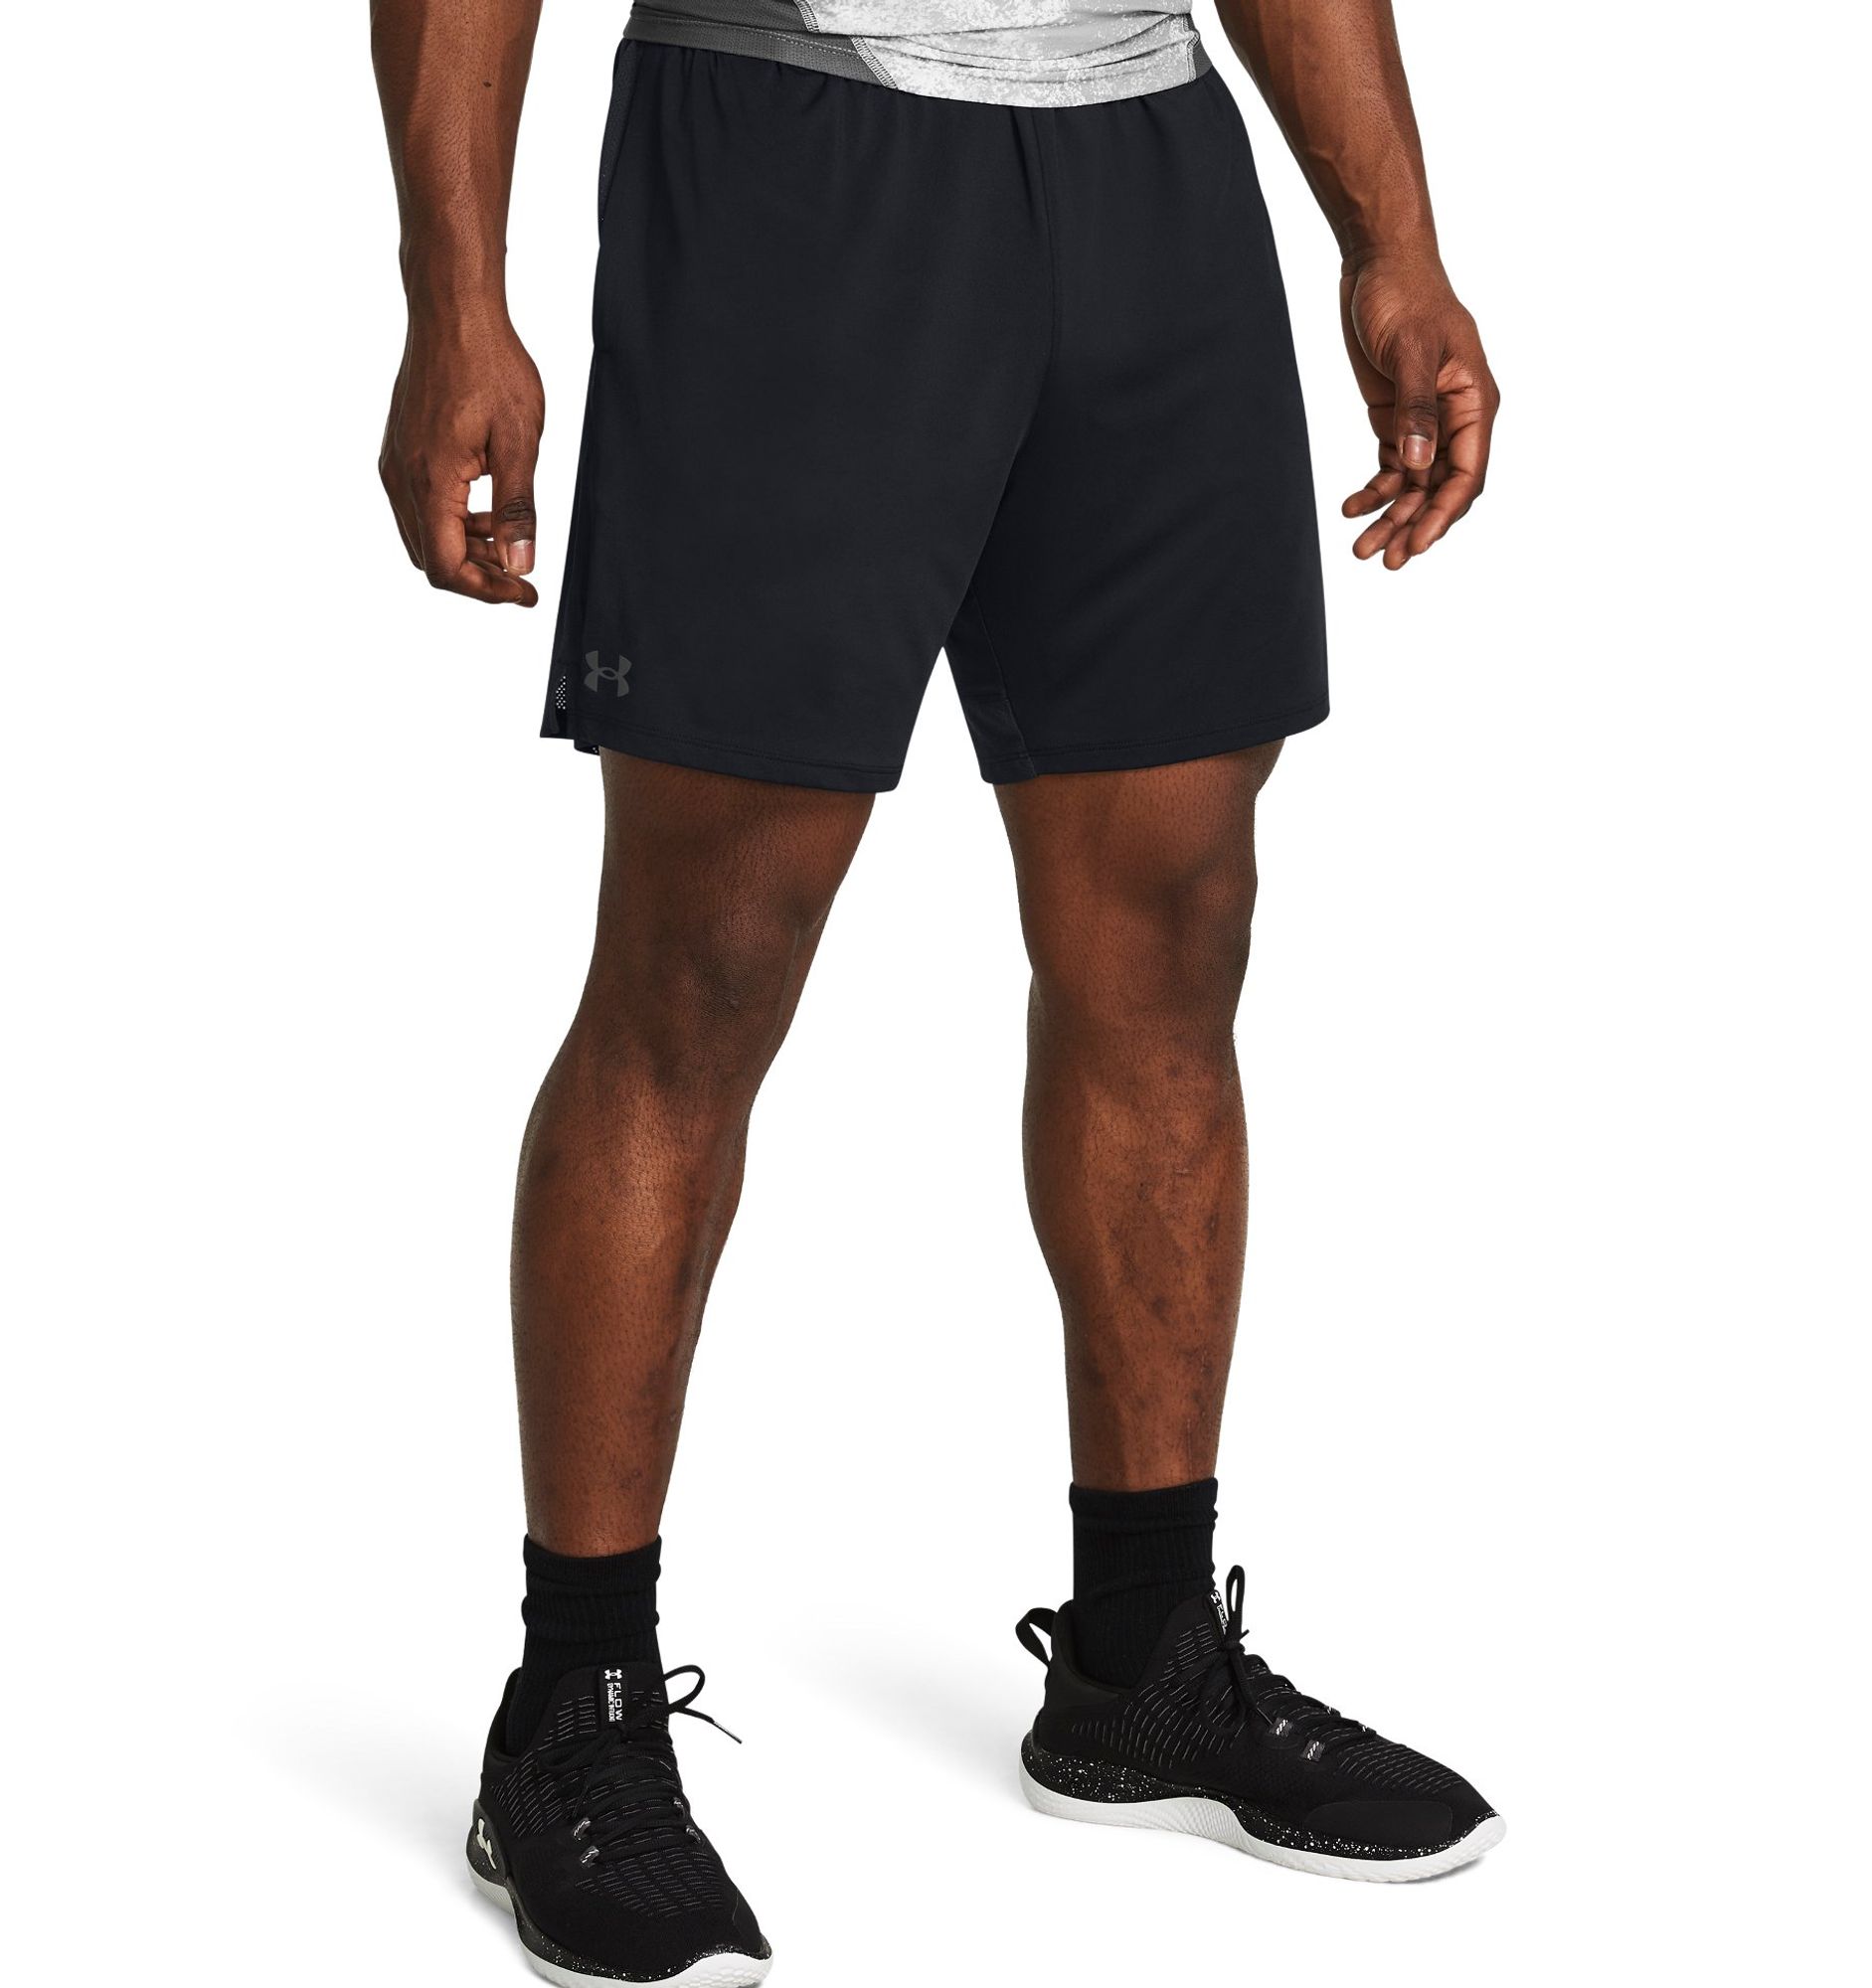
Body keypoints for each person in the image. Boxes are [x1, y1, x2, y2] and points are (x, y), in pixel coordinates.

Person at [373, 1, 1503, 1979]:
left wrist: (1393, 242)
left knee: (1172, 927)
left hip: (1147, 157)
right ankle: (575, 1709)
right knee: (702, 965)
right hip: (798, 147)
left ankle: (1143, 1653)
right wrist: (454, 296)